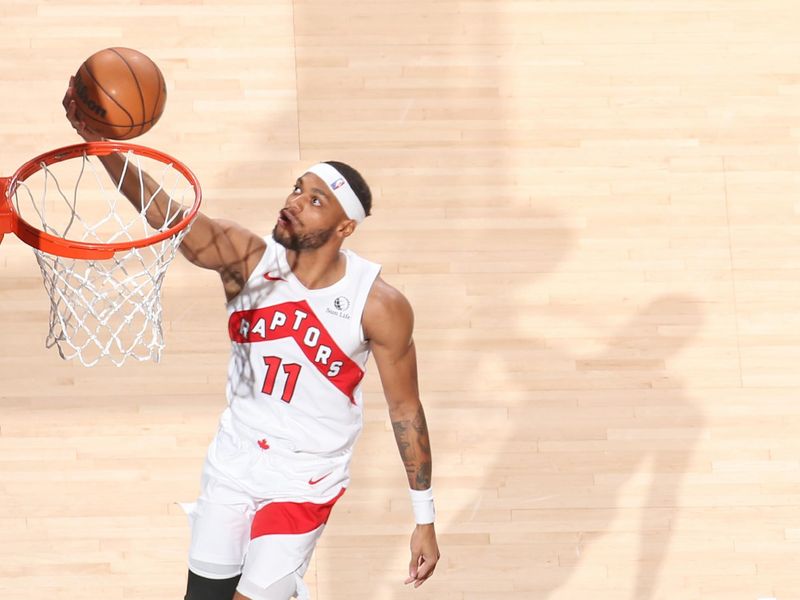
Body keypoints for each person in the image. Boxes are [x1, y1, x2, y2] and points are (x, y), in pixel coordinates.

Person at [63, 79, 440, 600]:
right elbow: (167, 214)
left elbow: (405, 410)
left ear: (344, 228)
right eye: (296, 188)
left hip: (305, 475)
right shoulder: (247, 259)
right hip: (234, 459)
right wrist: (104, 148)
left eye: (315, 200)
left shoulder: (378, 304)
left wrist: (424, 517)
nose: (293, 203)